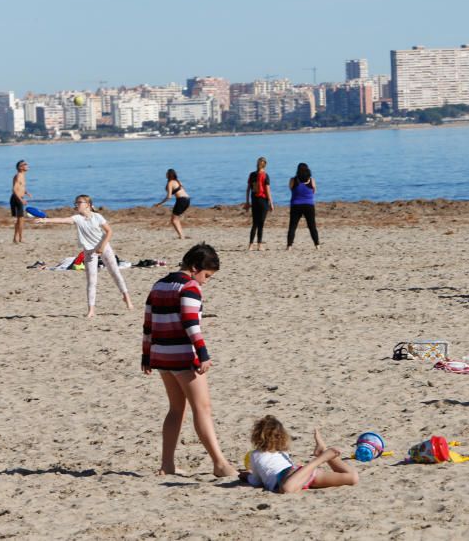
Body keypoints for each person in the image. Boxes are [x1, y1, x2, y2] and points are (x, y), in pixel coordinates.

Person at [142, 243, 238, 477]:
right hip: (183, 356)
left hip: (161, 355)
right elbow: (190, 323)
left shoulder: (159, 284)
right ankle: (220, 463)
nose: (205, 281)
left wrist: (146, 355)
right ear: (194, 268)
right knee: (202, 408)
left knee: (176, 409)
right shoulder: (190, 287)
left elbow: (148, 322)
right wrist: (203, 354)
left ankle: (167, 464)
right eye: (206, 275)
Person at [36, 195, 133, 318]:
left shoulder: (97, 217)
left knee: (115, 273)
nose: (76, 205)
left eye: (79, 202)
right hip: (89, 252)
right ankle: (91, 310)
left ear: (87, 204)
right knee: (91, 281)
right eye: (75, 203)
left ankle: (127, 298)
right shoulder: (77, 218)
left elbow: (109, 232)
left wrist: (102, 247)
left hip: (104, 247)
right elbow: (63, 220)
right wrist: (45, 220)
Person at [238, 417, 358, 493]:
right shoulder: (283, 453)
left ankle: (322, 457)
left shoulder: (255, 455)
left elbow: (256, 481)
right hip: (302, 474)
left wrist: (247, 476)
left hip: (291, 476)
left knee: (286, 488)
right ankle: (322, 451)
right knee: (352, 478)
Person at [287, 162, 319, 250]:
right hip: (309, 205)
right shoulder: (311, 180)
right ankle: (317, 245)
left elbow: (291, 189)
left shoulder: (293, 180)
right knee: (312, 226)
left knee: (292, 226)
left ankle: (289, 246)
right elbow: (314, 191)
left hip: (296, 205)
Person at [245, 157, 275, 251]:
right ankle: (259, 245)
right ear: (265, 165)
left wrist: (247, 202)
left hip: (254, 200)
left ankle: (250, 245)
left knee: (255, 223)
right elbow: (267, 191)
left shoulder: (252, 175)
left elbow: (248, 190)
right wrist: (271, 203)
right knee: (261, 224)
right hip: (263, 201)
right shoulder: (265, 175)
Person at [154, 168, 190, 239]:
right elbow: (182, 190)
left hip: (181, 200)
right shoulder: (178, 181)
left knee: (173, 220)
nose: (165, 174)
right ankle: (182, 235)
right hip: (187, 199)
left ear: (169, 175)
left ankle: (181, 236)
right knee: (176, 219)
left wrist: (160, 203)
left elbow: (169, 196)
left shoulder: (170, 183)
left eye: (166, 173)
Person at [11, 160, 32, 244]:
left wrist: (26, 192)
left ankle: (16, 238)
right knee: (20, 220)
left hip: (19, 198)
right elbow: (14, 189)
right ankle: (20, 238)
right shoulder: (19, 176)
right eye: (25, 164)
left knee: (20, 220)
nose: (27, 165)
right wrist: (21, 200)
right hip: (17, 198)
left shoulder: (22, 176)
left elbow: (21, 187)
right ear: (20, 167)